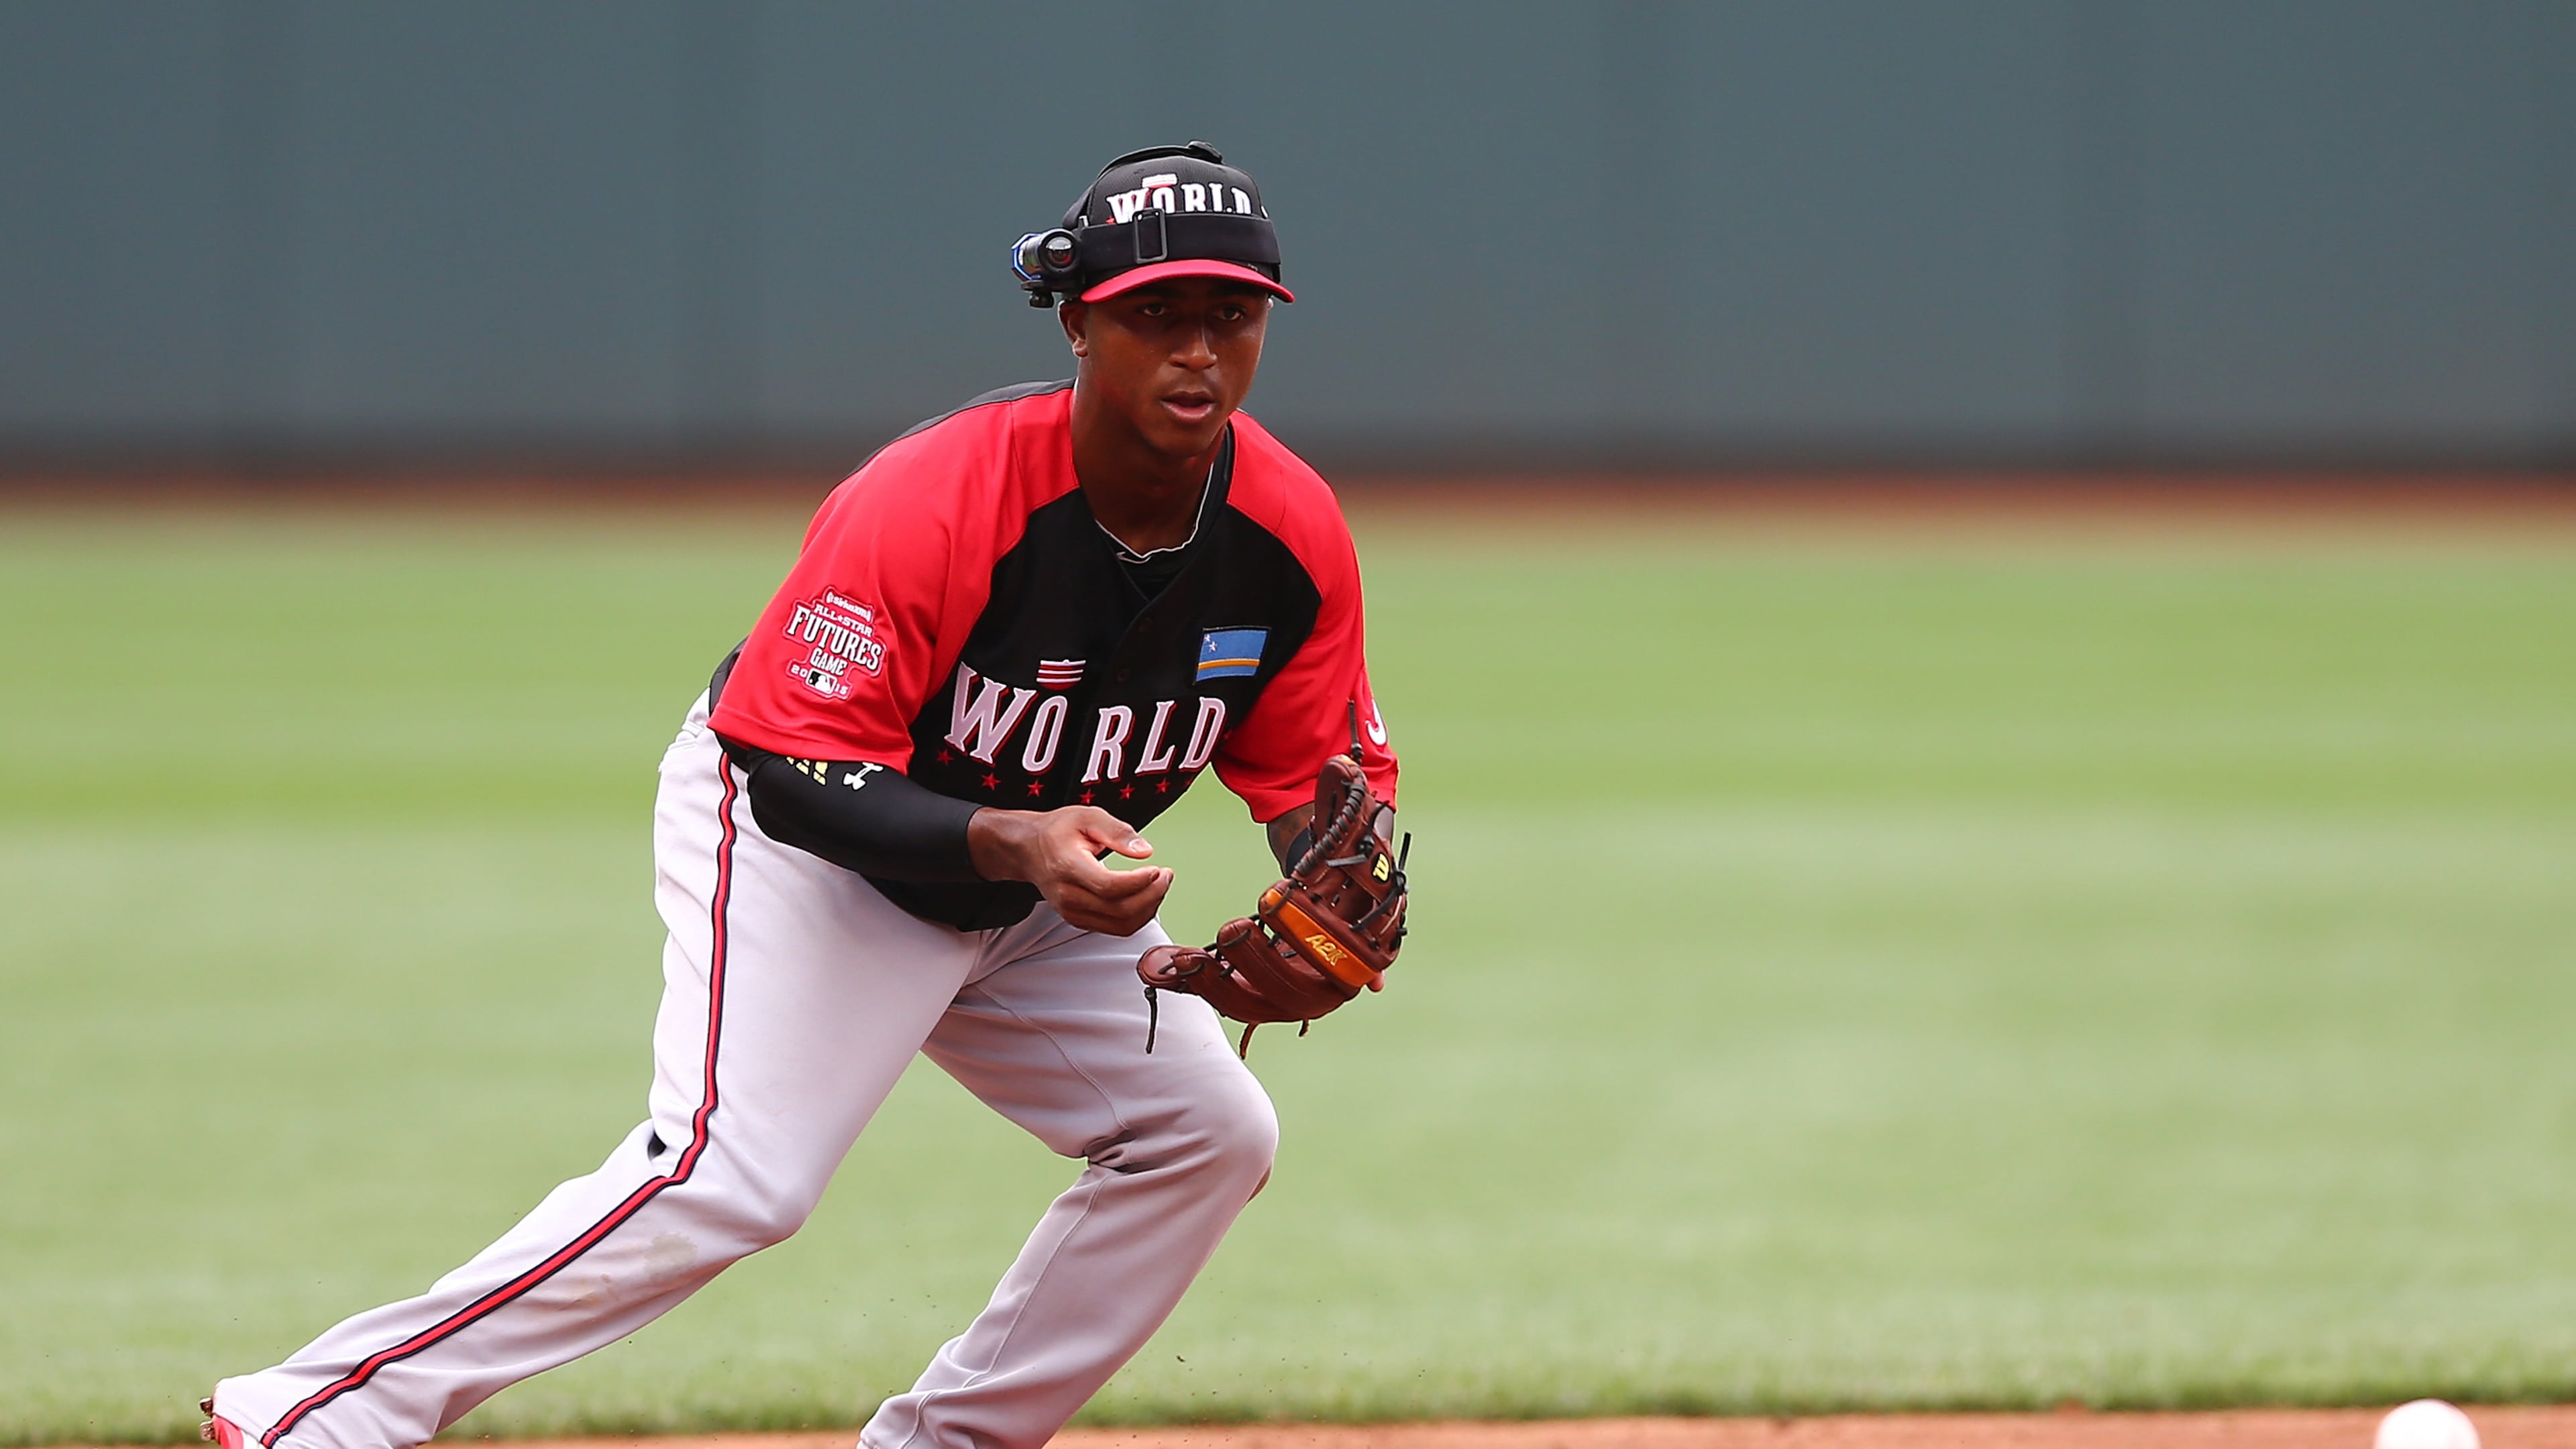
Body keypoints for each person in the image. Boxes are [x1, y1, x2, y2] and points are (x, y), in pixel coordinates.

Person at [201, 140, 1400, 1449]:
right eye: (1153, 315)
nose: (1196, 354)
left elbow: (1315, 782)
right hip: (813, 848)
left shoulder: (1290, 534)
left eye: (1229, 316)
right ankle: (317, 1412)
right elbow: (795, 772)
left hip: (1040, 888)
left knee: (1209, 1134)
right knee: (736, 1178)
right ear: (1074, 321)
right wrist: (1018, 842)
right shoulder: (939, 496)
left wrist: (1337, 891)